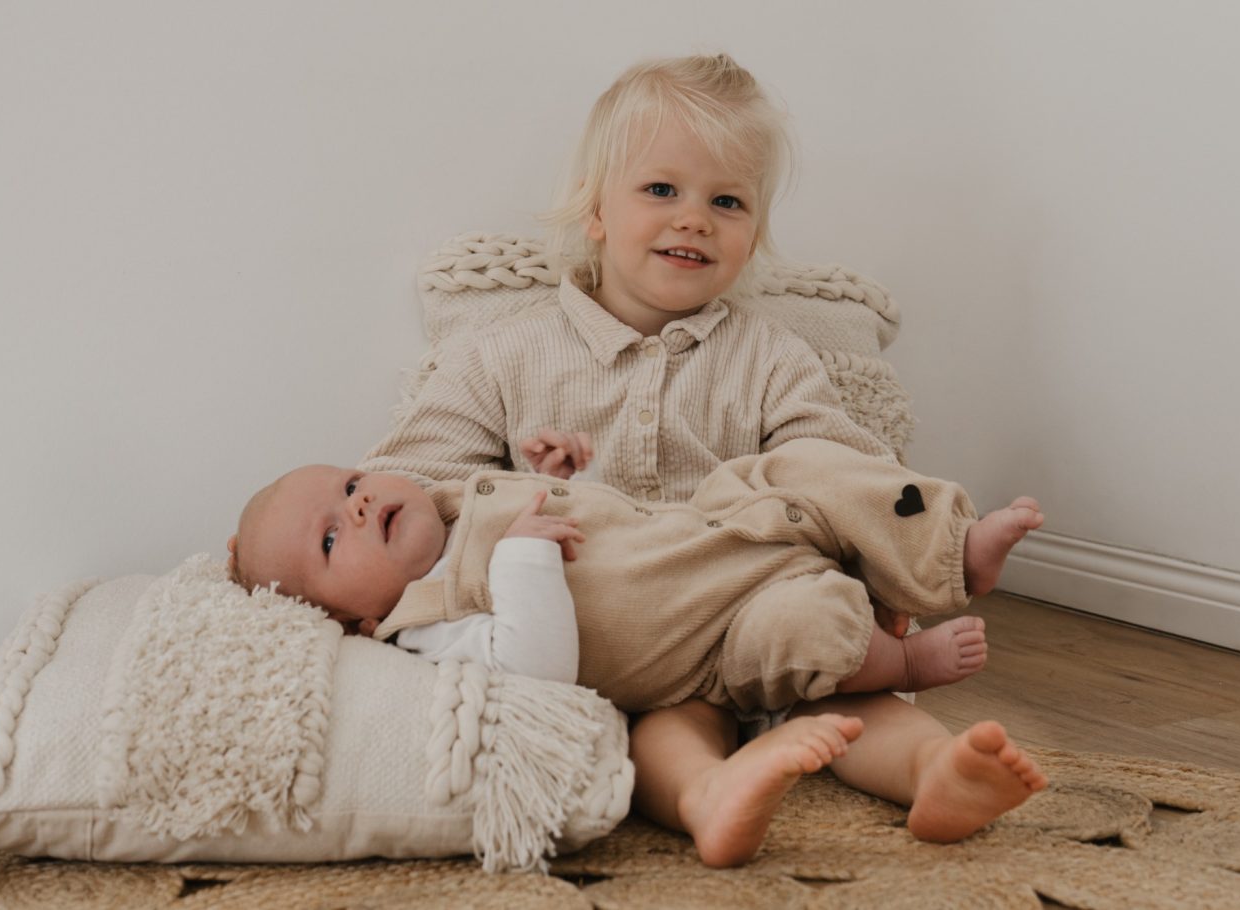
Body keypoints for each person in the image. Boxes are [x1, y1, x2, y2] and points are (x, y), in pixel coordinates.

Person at [357, 52, 1002, 865]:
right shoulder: (505, 354)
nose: (694, 218)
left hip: (744, 613)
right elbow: (416, 480)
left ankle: (933, 769)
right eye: (662, 189)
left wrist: (883, 568)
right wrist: (524, 488)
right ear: (596, 210)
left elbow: (838, 468)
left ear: (752, 235)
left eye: (726, 201)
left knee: (831, 686)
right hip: (611, 633)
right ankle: (709, 792)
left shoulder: (770, 355)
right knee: (652, 729)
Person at [228, 439, 1047, 845]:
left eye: (350, 484)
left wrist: (549, 474)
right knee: (811, 638)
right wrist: (520, 556)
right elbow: (534, 668)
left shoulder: (455, 498)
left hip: (721, 523)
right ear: (354, 625)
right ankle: (920, 754)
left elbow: (613, 525)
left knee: (801, 460)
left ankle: (951, 550)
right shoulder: (426, 624)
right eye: (330, 540)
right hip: (715, 648)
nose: (358, 507)